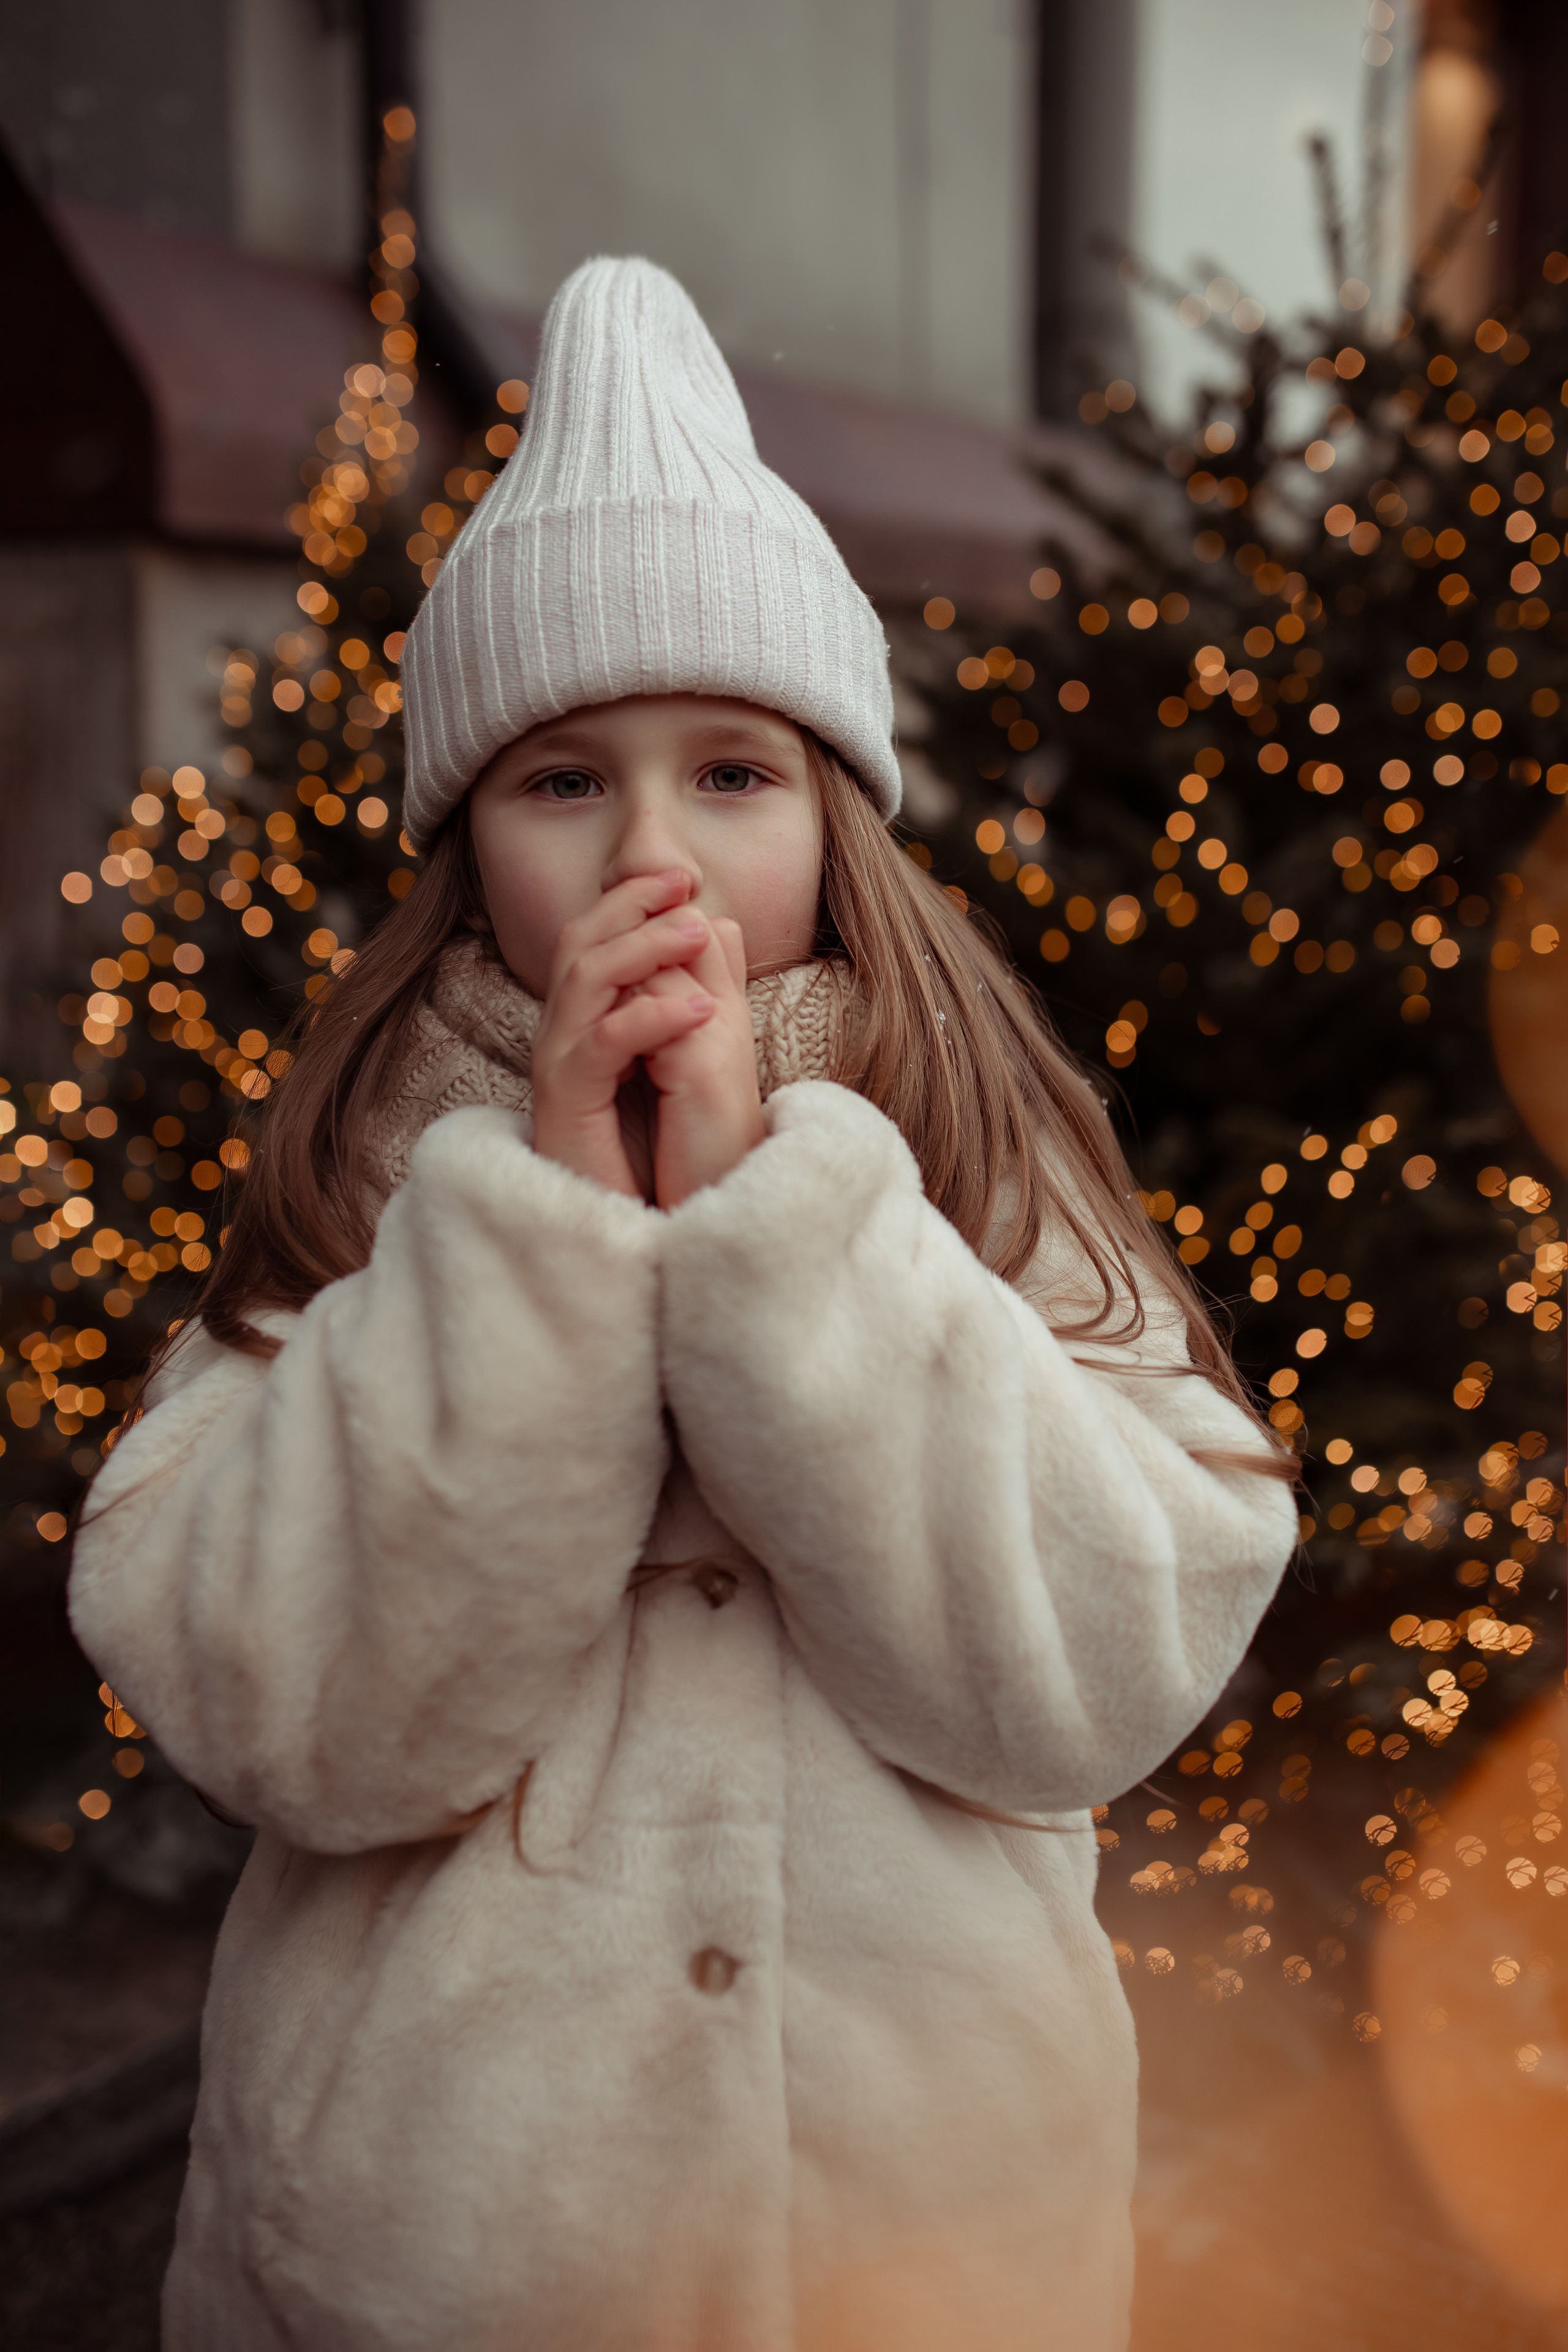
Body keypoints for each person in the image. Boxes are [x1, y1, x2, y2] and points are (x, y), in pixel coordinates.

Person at [70, 257, 1297, 2352]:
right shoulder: (370, 1192)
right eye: (566, 782)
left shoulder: (978, 1163)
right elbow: (293, 1720)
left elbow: (1104, 1661)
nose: (658, 851)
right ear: (471, 855)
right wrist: (535, 1239)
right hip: (436, 2255)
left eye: (733, 772)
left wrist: (786, 1223)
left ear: (835, 815)